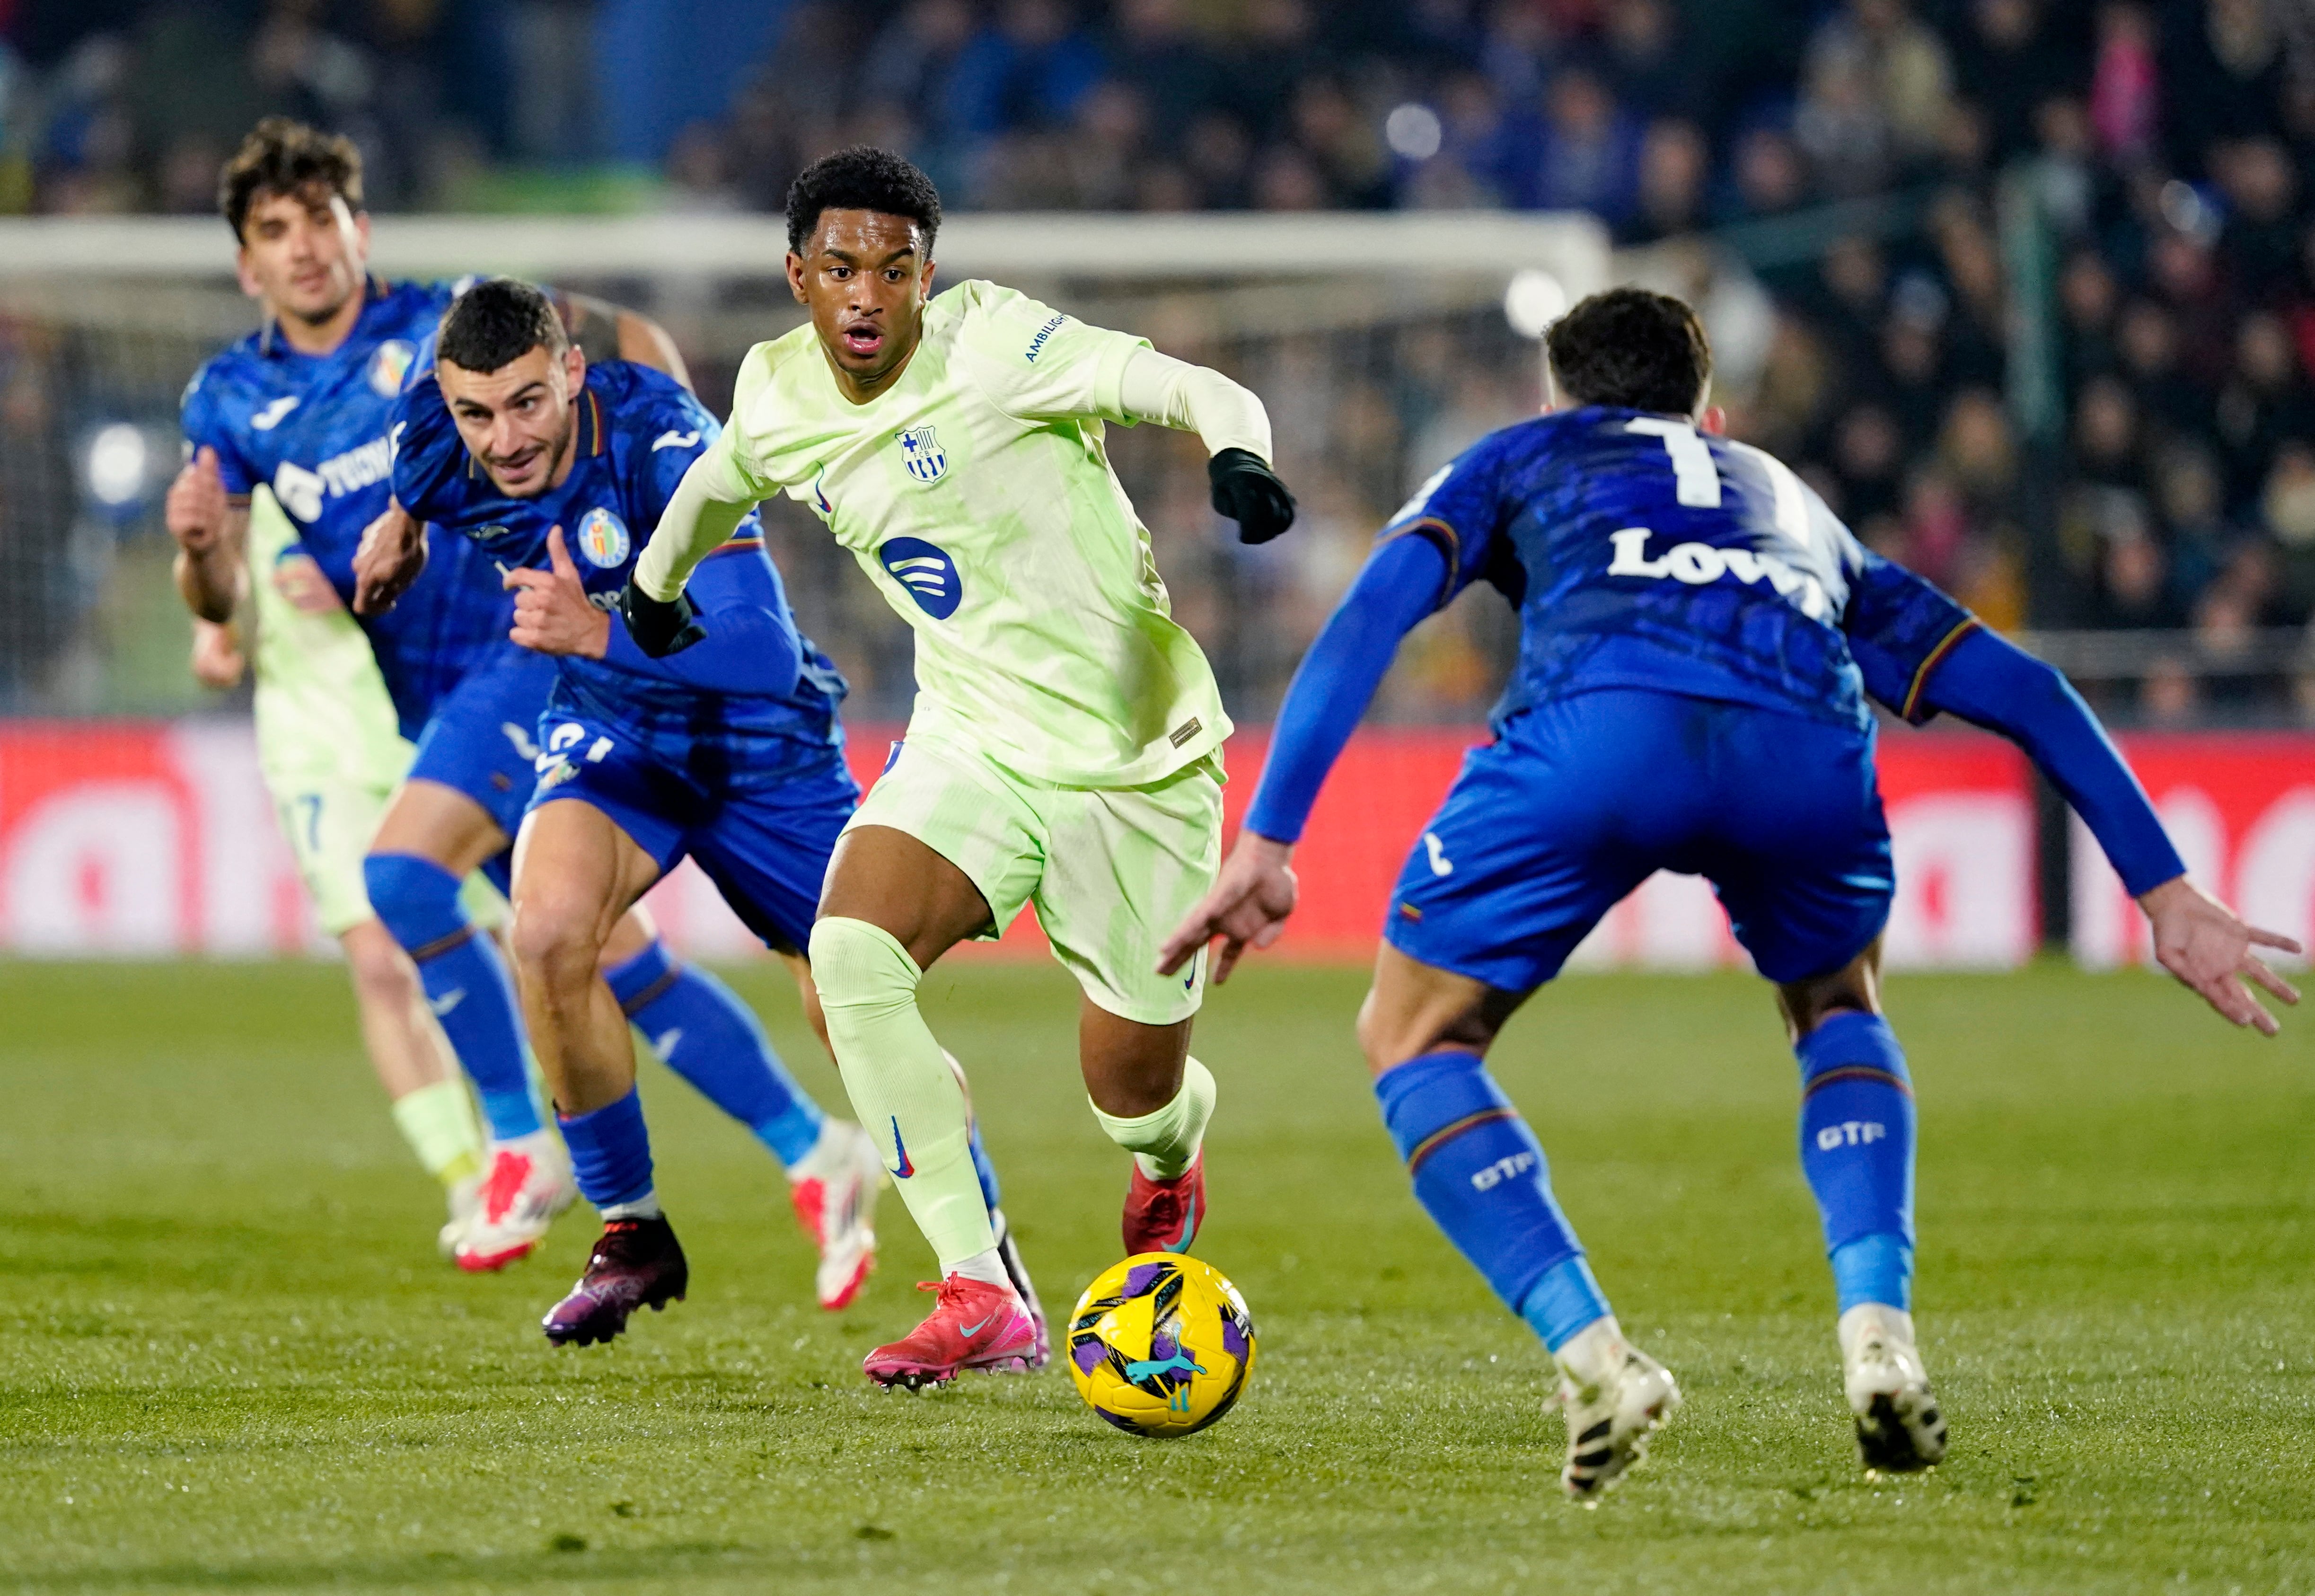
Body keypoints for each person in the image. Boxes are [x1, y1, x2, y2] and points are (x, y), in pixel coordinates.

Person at [1160, 287, 2301, 1498]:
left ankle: (1595, 1356)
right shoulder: (1786, 500)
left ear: (1556, 398)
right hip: (1798, 752)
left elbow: (1367, 617)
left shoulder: (1515, 457)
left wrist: (1268, 838)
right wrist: (2165, 891)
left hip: (1598, 741)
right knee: (1837, 1008)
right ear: (1709, 410)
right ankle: (1877, 1337)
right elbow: (2022, 689)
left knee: (1410, 1035)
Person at [624, 146, 1297, 1390]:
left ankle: (1167, 1154)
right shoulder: (775, 388)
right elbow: (719, 482)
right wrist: (653, 587)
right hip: (973, 738)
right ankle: (978, 1288)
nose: (866, 294)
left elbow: (1189, 385)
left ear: (927, 276)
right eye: (839, 268)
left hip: (1134, 767)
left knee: (1130, 1092)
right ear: (797, 275)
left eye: (893, 268)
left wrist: (1235, 459)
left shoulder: (994, 345)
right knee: (848, 953)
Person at [170, 118, 868, 1284]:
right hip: (422, 694)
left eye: (321, 222)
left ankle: (515, 1149)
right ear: (247, 263)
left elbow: (624, 339)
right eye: (274, 233)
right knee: (593, 962)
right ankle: (815, 1148)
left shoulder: (450, 323)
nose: (303, 252)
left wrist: (680, 499)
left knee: (397, 877)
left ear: (361, 229)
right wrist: (203, 563)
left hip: (525, 658)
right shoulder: (230, 400)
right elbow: (215, 588)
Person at [387, 277, 1037, 1348]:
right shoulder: (437, 439)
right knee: (547, 934)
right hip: (617, 736)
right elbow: (424, 465)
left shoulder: (663, 441)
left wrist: (594, 634)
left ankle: (988, 1262)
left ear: (573, 375)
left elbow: (760, 649)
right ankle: (632, 1231)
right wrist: (396, 532)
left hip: (759, 748)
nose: (502, 440)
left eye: (527, 405)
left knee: (853, 1013)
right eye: (476, 413)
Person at [180, 486, 493, 1252]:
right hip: (314, 745)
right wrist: (211, 622)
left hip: (431, 721)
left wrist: (371, 582)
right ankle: (465, 1175)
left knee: (507, 953)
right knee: (381, 965)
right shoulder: (239, 417)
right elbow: (210, 550)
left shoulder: (397, 401)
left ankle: (524, 1145)